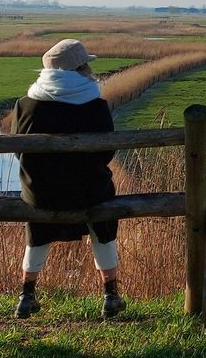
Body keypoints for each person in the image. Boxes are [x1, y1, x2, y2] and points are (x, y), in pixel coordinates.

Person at [9, 39, 124, 319]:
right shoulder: (94, 104)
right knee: (103, 222)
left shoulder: (27, 104)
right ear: (80, 68)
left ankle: (27, 295)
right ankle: (110, 295)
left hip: (41, 192)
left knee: (37, 229)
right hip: (89, 190)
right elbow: (106, 151)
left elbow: (17, 150)